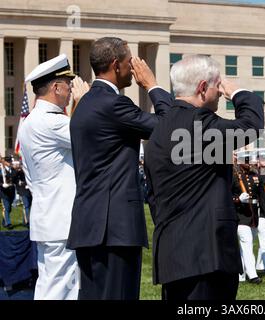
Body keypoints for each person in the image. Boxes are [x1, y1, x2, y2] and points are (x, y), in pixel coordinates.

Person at [145, 54, 264, 300]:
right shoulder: (199, 123)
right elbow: (250, 126)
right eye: (216, 86)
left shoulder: (160, 128)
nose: (220, 92)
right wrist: (239, 92)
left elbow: (153, 195)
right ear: (201, 88)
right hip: (206, 255)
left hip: (174, 252)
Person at [67, 37, 172, 300]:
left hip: (90, 224)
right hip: (114, 229)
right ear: (116, 65)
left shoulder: (85, 104)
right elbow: (171, 127)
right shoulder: (113, 104)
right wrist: (152, 85)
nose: (133, 68)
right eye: (129, 63)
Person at [18, 54, 82, 299]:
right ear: (56, 87)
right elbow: (87, 132)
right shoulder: (51, 122)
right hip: (61, 218)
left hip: (48, 216)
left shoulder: (31, 122)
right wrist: (83, 101)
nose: (70, 91)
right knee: (60, 288)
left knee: (50, 284)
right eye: (68, 85)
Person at [232, 150, 261, 284]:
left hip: (253, 214)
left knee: (248, 244)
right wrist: (237, 199)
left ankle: (240, 274)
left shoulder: (255, 175)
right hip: (240, 214)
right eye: (247, 160)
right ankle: (252, 274)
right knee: (247, 242)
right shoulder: (234, 175)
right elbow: (226, 195)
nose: (250, 163)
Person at [12, 161, 32, 226]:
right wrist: (18, 169)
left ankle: (25, 221)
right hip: (23, 191)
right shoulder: (19, 172)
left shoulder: (30, 171)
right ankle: (28, 222)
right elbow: (13, 178)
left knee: (30, 206)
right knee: (26, 206)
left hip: (30, 191)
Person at [0, 157, 16, 229]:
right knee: (6, 207)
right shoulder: (1, 170)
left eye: (10, 161)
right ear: (5, 162)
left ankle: (4, 221)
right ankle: (8, 223)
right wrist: (2, 184)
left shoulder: (12, 169)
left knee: (9, 208)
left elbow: (14, 177)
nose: (10, 163)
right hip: (4, 192)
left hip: (11, 191)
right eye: (8, 161)